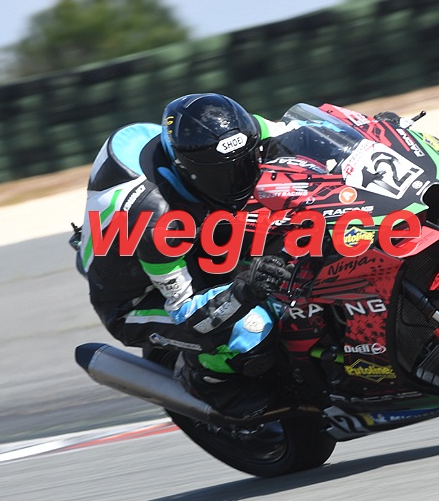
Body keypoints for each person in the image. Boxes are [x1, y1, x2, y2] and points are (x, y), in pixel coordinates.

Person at [72, 93, 292, 419]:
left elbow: (303, 132)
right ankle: (205, 380)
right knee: (250, 327)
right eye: (222, 173)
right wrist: (245, 288)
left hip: (200, 233)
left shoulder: (244, 132)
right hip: (142, 298)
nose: (240, 177)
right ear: (188, 169)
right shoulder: (156, 219)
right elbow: (186, 312)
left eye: (246, 162)